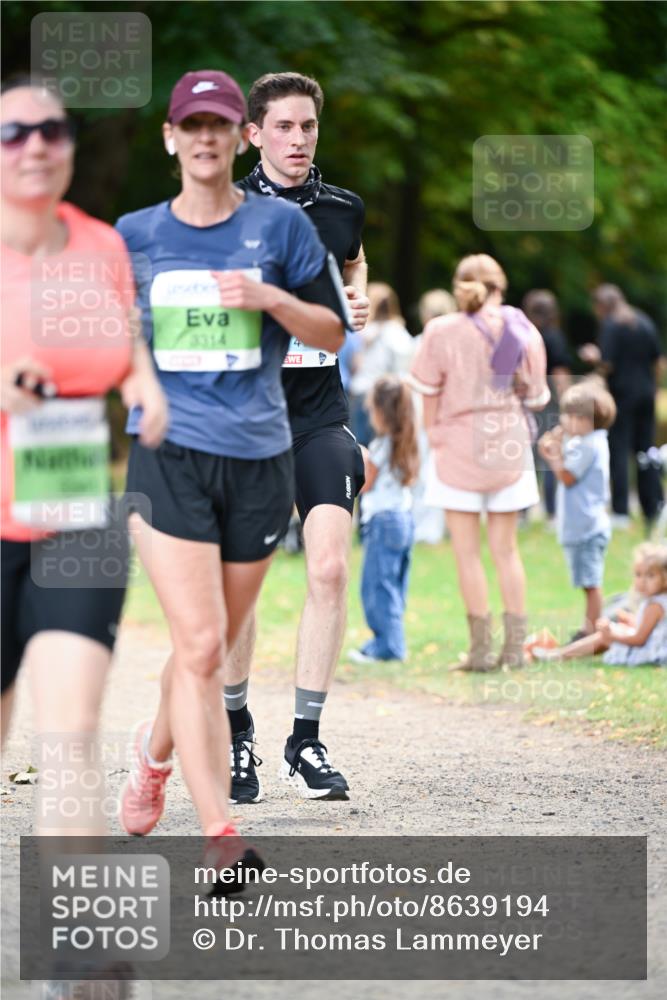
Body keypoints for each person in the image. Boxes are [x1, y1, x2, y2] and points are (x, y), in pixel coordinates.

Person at [116, 70, 346, 848]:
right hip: (170, 455)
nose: (206, 138)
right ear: (171, 138)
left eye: (218, 123)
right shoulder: (135, 234)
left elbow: (332, 332)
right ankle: (220, 829)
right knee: (202, 643)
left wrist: (269, 299)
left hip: (259, 456)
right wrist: (140, 384)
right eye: (193, 125)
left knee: (206, 644)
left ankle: (152, 757)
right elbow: (114, 335)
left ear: (232, 136)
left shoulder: (282, 228)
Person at [1, 79, 167, 782]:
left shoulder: (102, 244)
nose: (35, 146)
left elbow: (124, 330)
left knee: (70, 739)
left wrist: (141, 379)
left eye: (53, 131)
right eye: (13, 133)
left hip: (77, 515)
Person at [224, 72, 369, 803]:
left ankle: (304, 741)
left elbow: (352, 261)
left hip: (318, 415)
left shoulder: (343, 206)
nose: (298, 138)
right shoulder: (224, 207)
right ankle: (236, 734)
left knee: (330, 570)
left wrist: (357, 294)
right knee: (240, 585)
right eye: (282, 126)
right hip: (246, 420)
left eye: (307, 125)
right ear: (253, 133)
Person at [409, 254, 549, 671]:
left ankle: (480, 651)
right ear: (501, 285)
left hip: (457, 445)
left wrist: (434, 435)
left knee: (467, 554)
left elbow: (427, 391)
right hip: (508, 444)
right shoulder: (523, 329)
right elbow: (537, 397)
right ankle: (515, 649)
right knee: (507, 551)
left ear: (459, 286)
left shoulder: (441, 330)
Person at [348, 376, 419, 664]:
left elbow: (365, 485)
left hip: (383, 522)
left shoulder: (379, 448)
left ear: (381, 411)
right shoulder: (408, 443)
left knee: (377, 586)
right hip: (404, 520)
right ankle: (387, 639)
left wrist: (360, 460)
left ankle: (388, 647)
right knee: (394, 585)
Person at [538, 381, 617, 640]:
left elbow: (567, 476)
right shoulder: (588, 441)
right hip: (586, 525)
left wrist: (551, 456)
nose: (564, 420)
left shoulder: (587, 445)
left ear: (586, 420)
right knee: (587, 581)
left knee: (591, 582)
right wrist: (557, 445)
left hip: (587, 527)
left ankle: (591, 630)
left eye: (570, 415)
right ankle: (591, 626)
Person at [582, 284, 664, 529]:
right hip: (646, 394)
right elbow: (658, 361)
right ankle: (653, 507)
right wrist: (653, 387)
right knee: (646, 451)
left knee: (618, 450)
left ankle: (620, 511)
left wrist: (594, 360)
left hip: (622, 395)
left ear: (602, 305)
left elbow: (607, 364)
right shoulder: (644, 321)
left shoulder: (611, 325)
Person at [533, 542, 667, 666]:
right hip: (652, 649)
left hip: (650, 654)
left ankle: (559, 655)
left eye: (650, 576)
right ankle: (561, 654)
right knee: (617, 629)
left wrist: (612, 635)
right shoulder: (657, 602)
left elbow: (639, 639)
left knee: (603, 637)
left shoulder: (654, 606)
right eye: (638, 575)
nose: (642, 581)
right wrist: (630, 621)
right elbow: (652, 631)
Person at [412, 288, 457, 545]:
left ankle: (429, 527)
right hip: (446, 416)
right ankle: (434, 526)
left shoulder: (420, 343)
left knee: (426, 472)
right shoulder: (457, 345)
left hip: (429, 414)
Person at [522, 289, 572, 522]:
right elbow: (560, 373)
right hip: (549, 401)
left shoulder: (523, 335)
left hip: (525, 399)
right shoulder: (553, 336)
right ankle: (552, 511)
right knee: (551, 451)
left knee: (524, 453)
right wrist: (568, 402)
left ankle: (522, 511)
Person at [348, 282, 415, 447]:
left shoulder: (361, 331)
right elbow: (405, 366)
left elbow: (353, 364)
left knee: (359, 445)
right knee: (384, 446)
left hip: (360, 391)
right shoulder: (397, 332)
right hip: (386, 395)